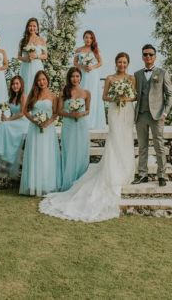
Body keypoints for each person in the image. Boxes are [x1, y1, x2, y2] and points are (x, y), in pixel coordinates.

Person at [39, 52, 136, 222]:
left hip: (126, 110)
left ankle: (125, 169)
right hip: (114, 110)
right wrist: (116, 96)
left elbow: (134, 95)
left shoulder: (131, 78)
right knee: (114, 138)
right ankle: (111, 170)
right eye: (119, 61)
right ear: (115, 63)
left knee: (125, 138)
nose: (122, 64)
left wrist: (125, 96)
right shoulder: (110, 78)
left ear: (127, 63)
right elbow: (105, 96)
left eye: (124, 62)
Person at [132, 44, 172, 186]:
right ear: (142, 57)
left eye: (150, 54)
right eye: (145, 54)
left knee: (159, 145)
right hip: (141, 114)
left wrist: (165, 112)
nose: (148, 57)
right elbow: (133, 94)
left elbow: (169, 95)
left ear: (155, 56)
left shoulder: (162, 72)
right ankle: (142, 174)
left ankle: (162, 174)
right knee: (142, 146)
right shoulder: (136, 74)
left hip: (157, 115)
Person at [19, 71, 61, 196]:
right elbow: (25, 111)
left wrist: (47, 123)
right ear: (36, 82)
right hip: (34, 129)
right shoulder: (33, 94)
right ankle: (34, 185)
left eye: (43, 79)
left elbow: (55, 113)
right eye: (39, 80)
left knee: (46, 155)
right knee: (35, 154)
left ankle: (46, 185)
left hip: (48, 130)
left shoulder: (53, 96)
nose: (41, 82)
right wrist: (35, 121)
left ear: (47, 80)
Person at [57, 67, 91, 190]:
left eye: (77, 76)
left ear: (80, 77)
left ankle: (81, 181)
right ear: (69, 78)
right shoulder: (64, 92)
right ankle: (68, 181)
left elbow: (87, 110)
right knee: (70, 150)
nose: (75, 79)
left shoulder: (86, 93)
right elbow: (59, 111)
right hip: (69, 125)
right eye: (72, 76)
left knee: (81, 150)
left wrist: (80, 114)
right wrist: (71, 114)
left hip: (81, 125)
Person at [0, 75, 29, 179]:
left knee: (3, 125)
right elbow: (12, 114)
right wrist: (6, 117)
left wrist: (8, 120)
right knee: (1, 126)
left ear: (21, 85)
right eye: (13, 84)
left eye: (17, 84)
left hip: (23, 123)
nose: (15, 86)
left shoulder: (23, 96)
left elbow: (22, 113)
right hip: (15, 121)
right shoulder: (12, 97)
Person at [73, 30, 107, 130]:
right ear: (83, 38)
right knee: (82, 95)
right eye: (86, 37)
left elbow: (100, 62)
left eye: (90, 38)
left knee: (93, 96)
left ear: (93, 39)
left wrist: (92, 67)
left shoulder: (95, 50)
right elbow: (75, 63)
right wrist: (82, 66)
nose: (88, 39)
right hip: (82, 75)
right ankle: (82, 120)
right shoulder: (78, 50)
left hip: (92, 75)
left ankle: (92, 122)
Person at [18, 18, 47, 94]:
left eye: (34, 26)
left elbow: (45, 56)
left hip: (37, 66)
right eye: (30, 26)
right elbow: (19, 56)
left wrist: (36, 56)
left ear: (37, 27)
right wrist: (26, 58)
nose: (32, 28)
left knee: (38, 83)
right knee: (26, 85)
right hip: (26, 66)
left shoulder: (41, 40)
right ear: (27, 27)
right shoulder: (22, 41)